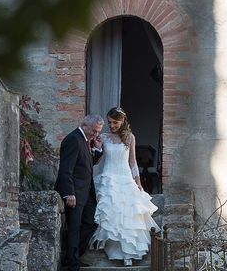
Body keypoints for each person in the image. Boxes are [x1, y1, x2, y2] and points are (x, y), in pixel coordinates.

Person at [90, 107, 159, 266]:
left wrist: (138, 181)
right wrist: (97, 147)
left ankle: (128, 255)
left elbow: (133, 162)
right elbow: (97, 161)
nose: (112, 125)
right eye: (110, 122)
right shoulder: (104, 137)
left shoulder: (130, 137)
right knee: (112, 215)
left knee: (128, 217)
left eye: (115, 122)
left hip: (125, 178)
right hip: (109, 179)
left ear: (123, 121)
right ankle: (113, 251)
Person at [55, 114, 104, 271]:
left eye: (98, 132)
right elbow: (66, 169)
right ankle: (72, 263)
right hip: (74, 193)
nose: (95, 134)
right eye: (94, 131)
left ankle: (72, 256)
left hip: (86, 193)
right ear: (85, 124)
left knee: (92, 222)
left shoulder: (86, 141)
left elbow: (89, 164)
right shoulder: (74, 139)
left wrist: (97, 148)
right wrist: (69, 193)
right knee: (74, 227)